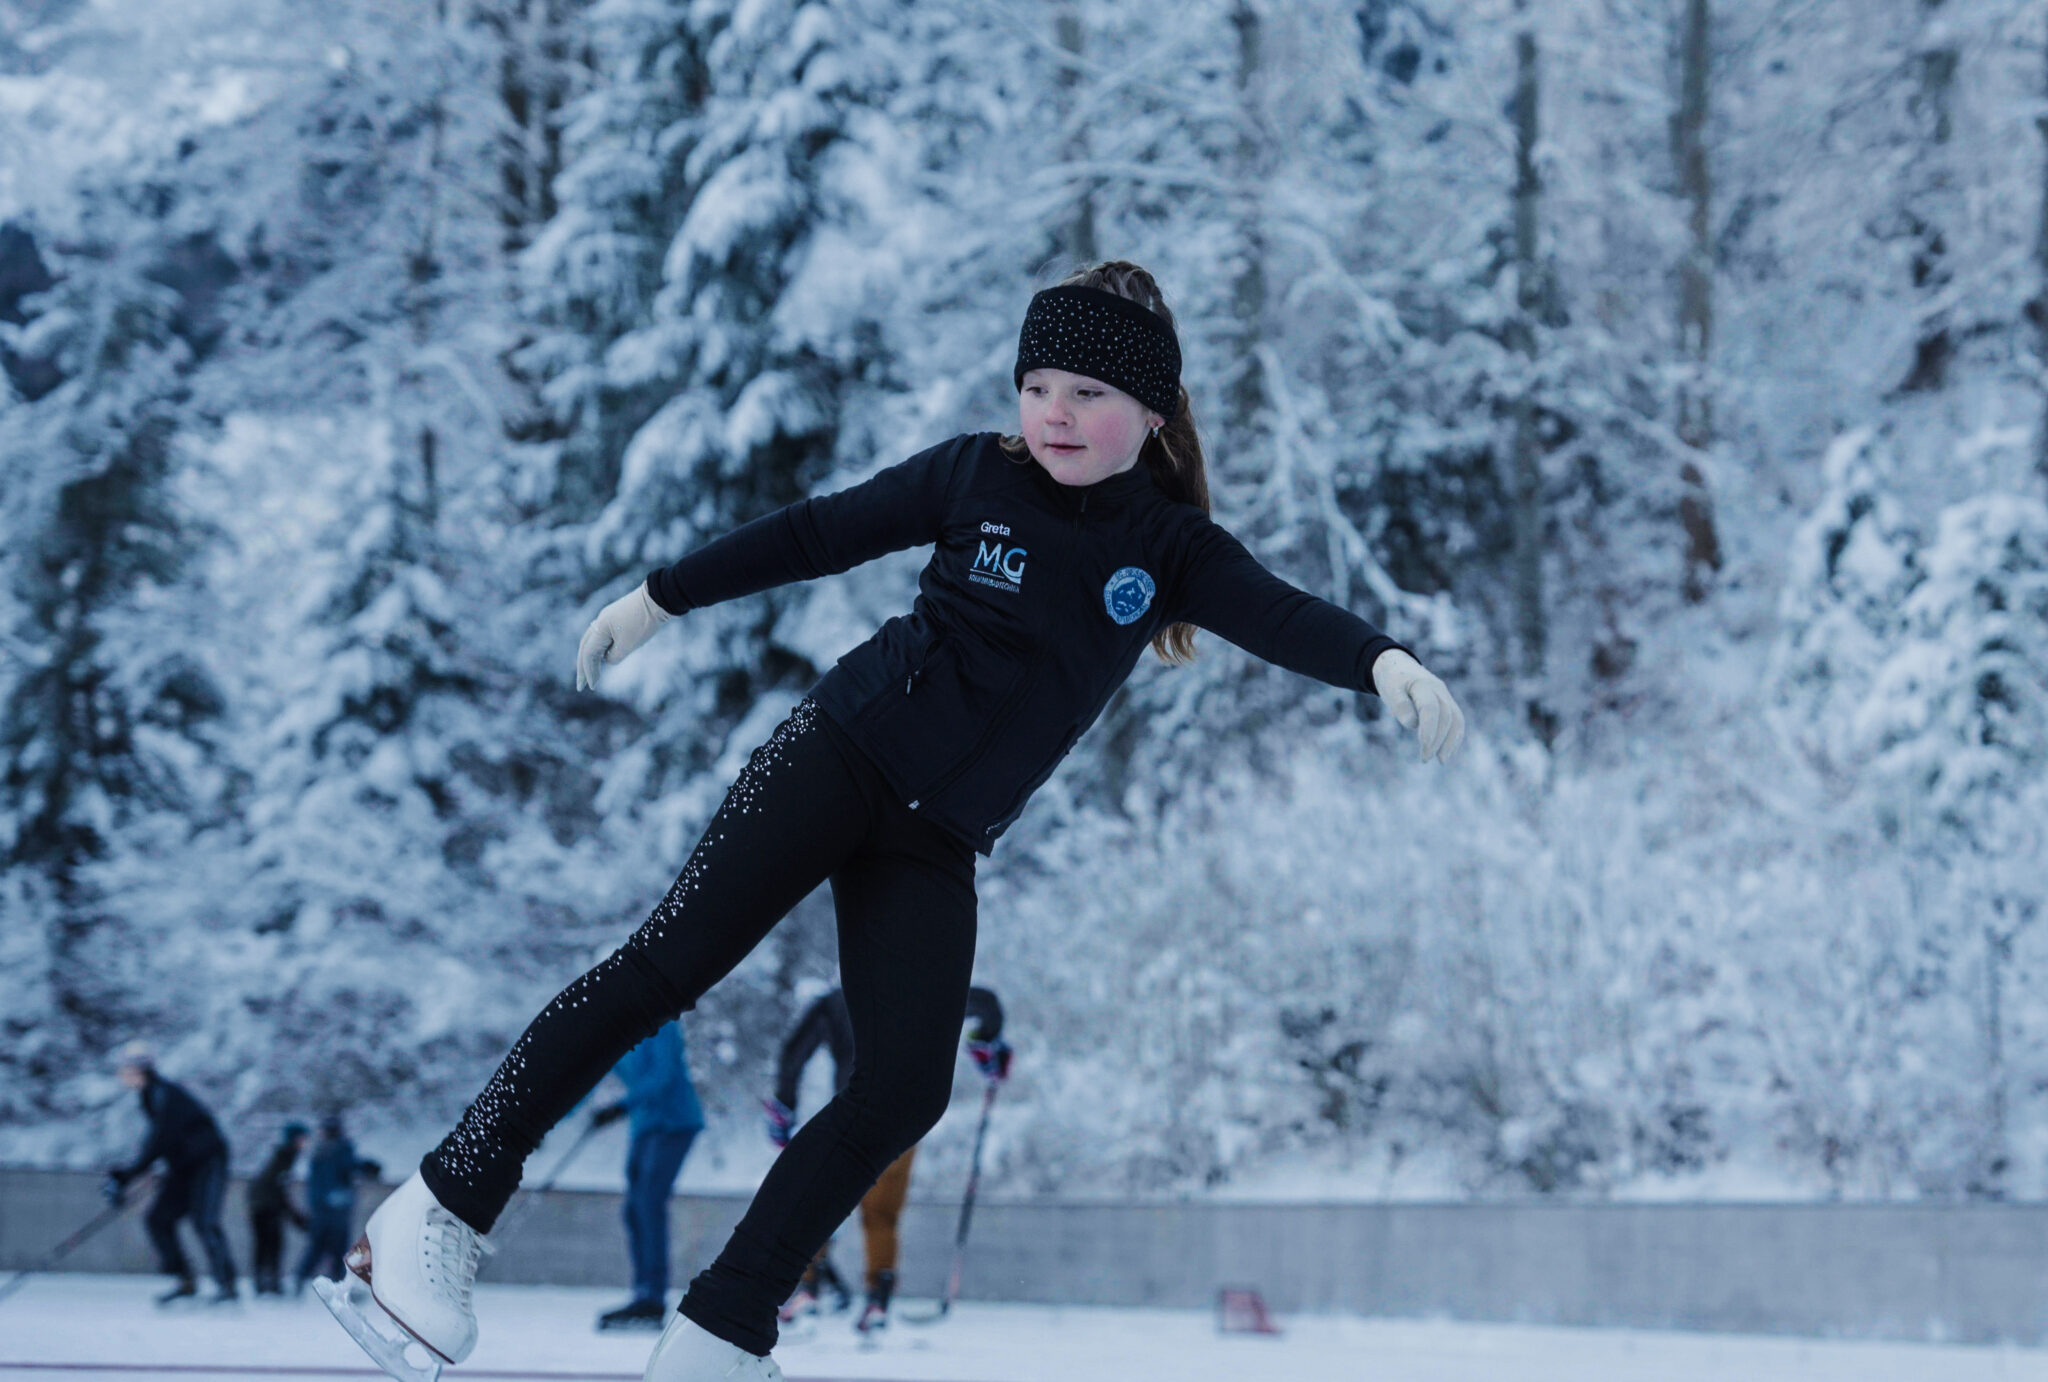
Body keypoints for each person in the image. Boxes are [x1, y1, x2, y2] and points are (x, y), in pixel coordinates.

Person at [327, 261, 1464, 1382]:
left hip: (935, 837)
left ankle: (719, 1329)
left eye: (1089, 395)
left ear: (1151, 417)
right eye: (1037, 387)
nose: (1055, 414)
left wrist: (1381, 660)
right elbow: (818, 530)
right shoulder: (976, 475)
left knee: (907, 1081)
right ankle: (441, 1205)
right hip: (838, 753)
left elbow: (1279, 613)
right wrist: (659, 596)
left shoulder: (1167, 550)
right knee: (661, 969)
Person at [765, 984, 1009, 1333]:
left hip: (852, 1113)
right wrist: (986, 1043)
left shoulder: (839, 998)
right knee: (880, 1213)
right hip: (903, 1117)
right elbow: (987, 1003)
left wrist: (783, 1104)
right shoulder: (925, 986)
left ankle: (810, 1289)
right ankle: (877, 1297)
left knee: (821, 1198)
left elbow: (794, 1052)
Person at [589, 1016, 707, 1331]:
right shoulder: (616, 1031)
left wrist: (621, 1106)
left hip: (674, 1123)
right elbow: (588, 1070)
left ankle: (652, 1299)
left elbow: (663, 1075)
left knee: (648, 1204)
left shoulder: (661, 1023)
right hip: (645, 1127)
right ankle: (643, 1292)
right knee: (634, 1210)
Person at [103, 1042, 239, 1305]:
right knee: (158, 1219)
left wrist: (129, 1174)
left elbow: (161, 1137)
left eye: (127, 1070)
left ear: (142, 1069)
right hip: (183, 1167)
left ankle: (227, 1286)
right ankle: (185, 1281)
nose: (124, 1075)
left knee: (205, 1221)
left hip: (208, 1162)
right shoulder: (150, 1096)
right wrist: (130, 1174)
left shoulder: (163, 1094)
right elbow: (161, 1141)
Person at [293, 1114, 383, 1294]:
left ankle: (303, 1279)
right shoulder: (338, 1149)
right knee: (335, 1246)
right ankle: (338, 1285)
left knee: (320, 1246)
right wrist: (368, 1167)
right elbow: (350, 1166)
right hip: (334, 1208)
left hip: (323, 1207)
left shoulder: (320, 1150)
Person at [247, 1122, 310, 1296]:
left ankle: (267, 1281)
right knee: (269, 1244)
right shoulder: (285, 1155)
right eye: (302, 1139)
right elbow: (276, 1188)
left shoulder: (287, 1155)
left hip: (264, 1205)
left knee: (269, 1244)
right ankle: (266, 1282)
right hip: (264, 1206)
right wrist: (295, 1216)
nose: (304, 1143)